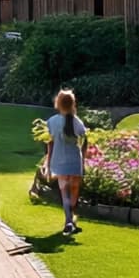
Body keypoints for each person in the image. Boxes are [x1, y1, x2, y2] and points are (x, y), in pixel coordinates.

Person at [45, 88, 87, 237]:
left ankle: (68, 221)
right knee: (74, 190)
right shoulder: (77, 122)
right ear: (73, 104)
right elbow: (85, 138)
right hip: (75, 160)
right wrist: (84, 155)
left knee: (65, 193)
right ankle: (71, 221)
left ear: (58, 103)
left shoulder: (52, 121)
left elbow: (49, 142)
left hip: (59, 160)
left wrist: (48, 163)